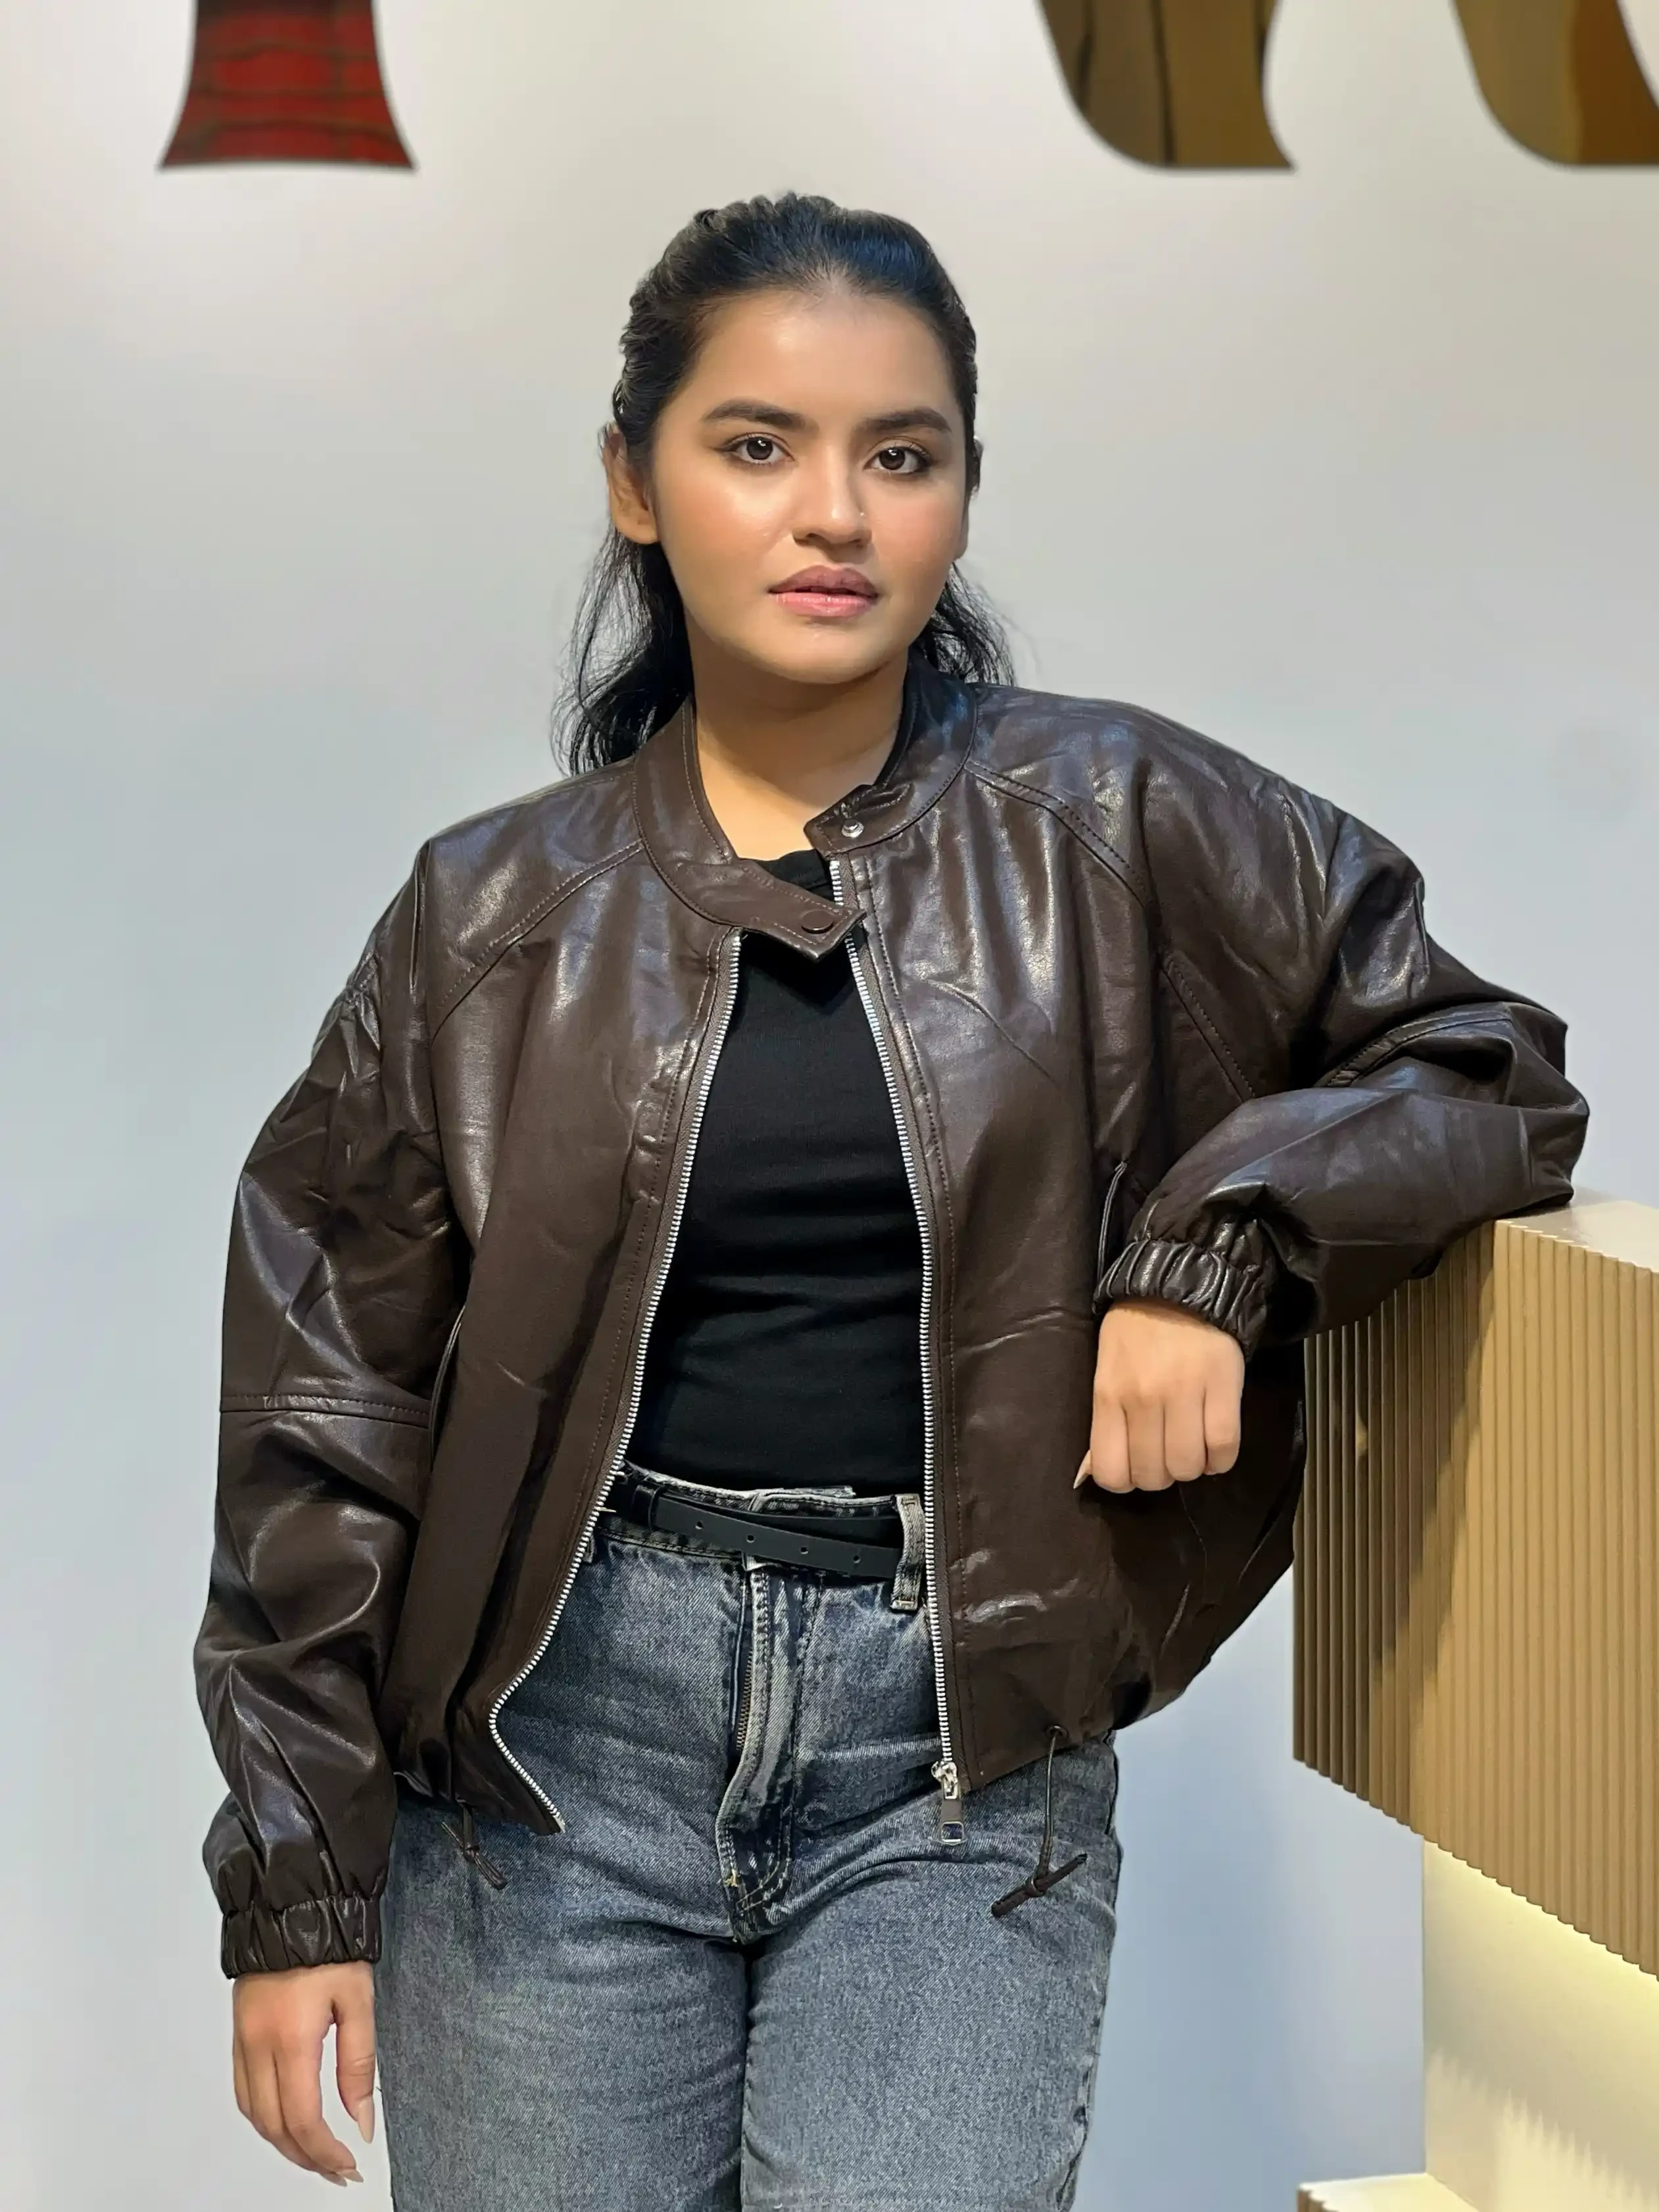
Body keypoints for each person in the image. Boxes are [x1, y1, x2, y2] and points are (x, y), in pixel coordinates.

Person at [199, 193, 1587, 2209]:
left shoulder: (1116, 819)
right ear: (636, 484)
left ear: (961, 491)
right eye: (757, 445)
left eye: (901, 453)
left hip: (955, 1758)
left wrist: (1218, 1247)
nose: (833, 511)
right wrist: (296, 1876)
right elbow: (325, 1405)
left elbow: (1480, 1061)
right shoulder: (489, 914)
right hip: (551, 1767)